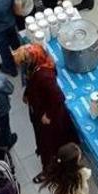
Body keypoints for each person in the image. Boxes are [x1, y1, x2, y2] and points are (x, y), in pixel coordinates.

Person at [16, 43, 78, 180]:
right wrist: (27, 94)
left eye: (26, 59)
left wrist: (47, 115)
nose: (25, 62)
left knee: (48, 145)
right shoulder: (38, 67)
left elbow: (59, 97)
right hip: (40, 109)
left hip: (49, 118)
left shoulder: (44, 76)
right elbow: (32, 83)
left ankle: (48, 171)